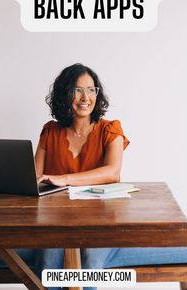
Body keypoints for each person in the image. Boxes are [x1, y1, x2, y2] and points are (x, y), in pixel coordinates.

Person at [34, 63, 129, 288]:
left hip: (101, 221)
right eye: (77, 90)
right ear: (65, 94)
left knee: (90, 262)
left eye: (91, 90)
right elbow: (35, 177)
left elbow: (112, 173)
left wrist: (64, 178)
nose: (85, 97)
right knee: (48, 263)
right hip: (56, 221)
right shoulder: (50, 131)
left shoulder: (110, 130)